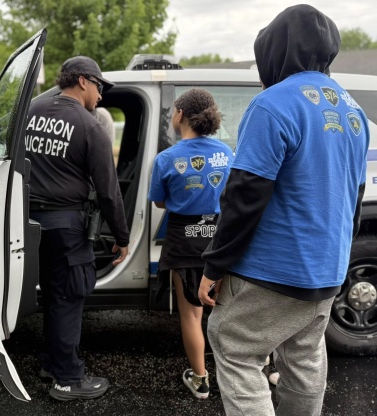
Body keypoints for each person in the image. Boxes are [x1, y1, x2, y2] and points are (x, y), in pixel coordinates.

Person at [197, 4, 369, 415]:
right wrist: (338, 260)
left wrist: (214, 266)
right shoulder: (354, 112)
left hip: (272, 269)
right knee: (305, 359)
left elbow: (244, 195)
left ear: (275, 50)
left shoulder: (272, 104)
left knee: (235, 348)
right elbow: (354, 198)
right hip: (326, 270)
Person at [26, 56, 129, 401]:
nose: (101, 96)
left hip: (28, 226)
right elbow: (108, 190)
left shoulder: (29, 113)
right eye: (99, 87)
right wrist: (122, 237)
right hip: (68, 228)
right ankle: (67, 380)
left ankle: (52, 363)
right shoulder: (89, 125)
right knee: (69, 297)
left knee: (54, 297)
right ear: (83, 81)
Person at [148, 88, 233, 399]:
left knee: (191, 315)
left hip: (185, 241)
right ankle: (246, 372)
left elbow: (158, 203)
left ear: (180, 115)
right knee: (229, 312)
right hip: (222, 238)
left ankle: (200, 380)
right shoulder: (227, 153)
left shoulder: (167, 158)